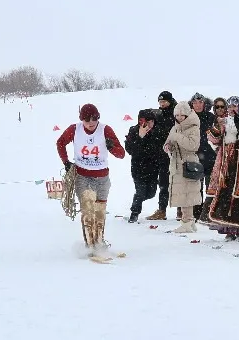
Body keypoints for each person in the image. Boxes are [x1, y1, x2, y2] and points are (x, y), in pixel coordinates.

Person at [55, 103, 126, 255]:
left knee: (99, 213)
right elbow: (60, 142)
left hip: (102, 177)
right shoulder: (74, 129)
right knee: (88, 212)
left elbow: (121, 154)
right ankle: (89, 245)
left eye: (94, 118)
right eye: (87, 120)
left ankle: (99, 243)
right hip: (83, 176)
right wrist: (66, 162)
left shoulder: (105, 129)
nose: (91, 122)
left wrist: (112, 146)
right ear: (82, 120)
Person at [202, 96, 239, 238]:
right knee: (225, 192)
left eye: (235, 106)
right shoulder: (225, 121)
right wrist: (218, 126)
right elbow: (214, 139)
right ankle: (227, 228)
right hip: (225, 160)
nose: (232, 109)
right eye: (230, 106)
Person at [164, 101, 203, 233]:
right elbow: (169, 141)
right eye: (177, 115)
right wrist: (168, 146)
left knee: (187, 193)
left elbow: (193, 145)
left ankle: (187, 221)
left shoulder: (193, 127)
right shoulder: (175, 127)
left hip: (188, 162)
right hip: (176, 163)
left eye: (182, 115)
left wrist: (178, 137)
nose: (179, 117)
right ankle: (189, 221)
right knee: (182, 193)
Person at [124, 108, 166, 223]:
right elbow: (130, 150)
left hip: (153, 168)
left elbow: (160, 149)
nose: (148, 125)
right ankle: (134, 213)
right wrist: (140, 137)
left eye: (150, 121)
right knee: (140, 191)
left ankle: (137, 200)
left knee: (151, 193)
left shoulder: (158, 131)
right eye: (145, 122)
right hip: (138, 168)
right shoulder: (134, 131)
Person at [145, 91, 176, 219]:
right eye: (160, 102)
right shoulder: (158, 114)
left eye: (164, 102)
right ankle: (162, 210)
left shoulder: (176, 114)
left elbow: (170, 132)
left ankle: (182, 211)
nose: (162, 104)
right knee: (163, 183)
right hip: (160, 154)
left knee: (177, 183)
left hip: (173, 153)